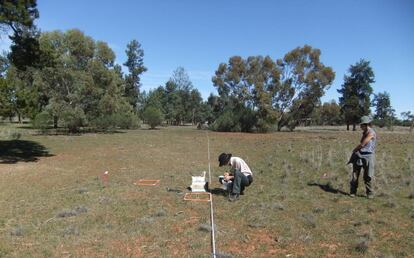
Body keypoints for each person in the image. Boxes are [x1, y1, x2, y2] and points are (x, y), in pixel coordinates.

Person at [349, 116, 376, 199]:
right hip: (359, 155)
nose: (360, 127)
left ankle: (370, 193)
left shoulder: (371, 133)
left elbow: (363, 144)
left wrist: (354, 150)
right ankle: (353, 192)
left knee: (368, 176)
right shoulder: (364, 132)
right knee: (355, 174)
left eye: (361, 125)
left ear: (366, 124)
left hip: (368, 156)